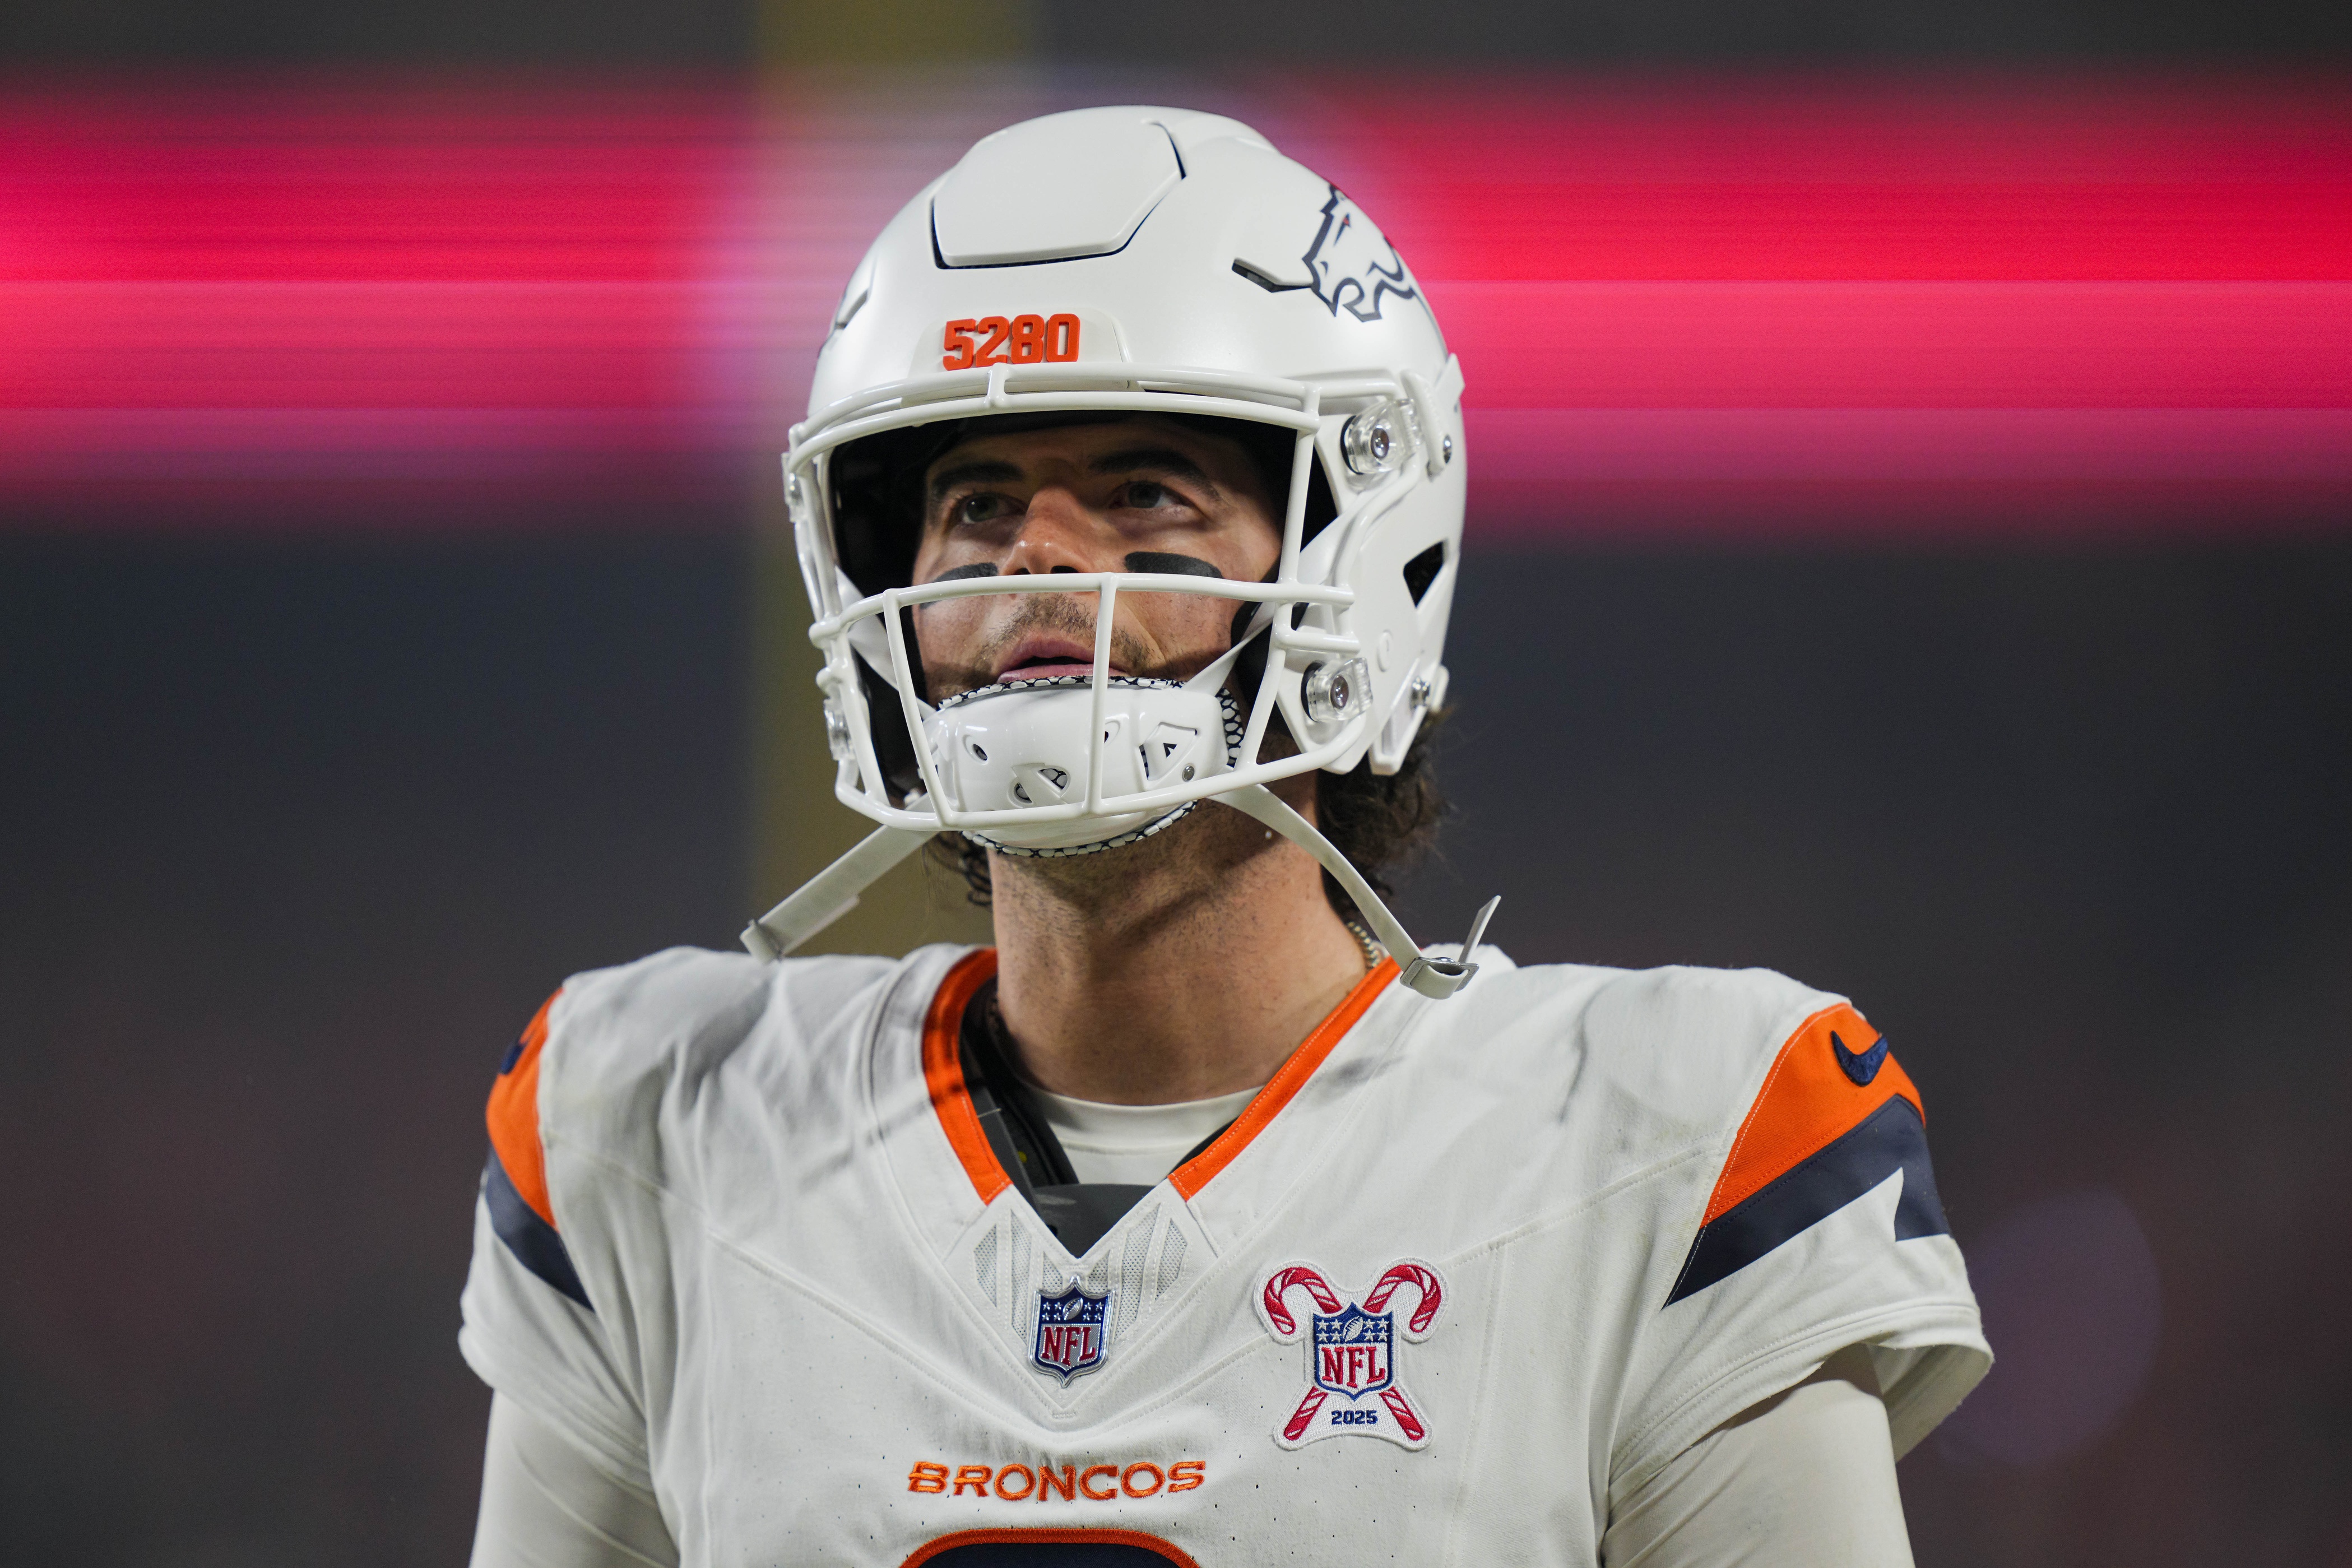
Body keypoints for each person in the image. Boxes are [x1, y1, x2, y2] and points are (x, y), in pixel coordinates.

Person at [459, 106, 1988, 1568]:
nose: (1040, 553)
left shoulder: (1670, 1137)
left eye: (1145, 492)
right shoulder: (658, 1119)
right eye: (976, 503)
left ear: (1352, 555)